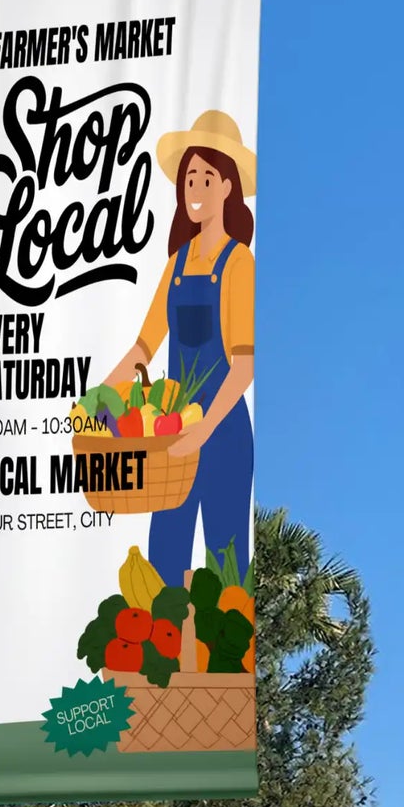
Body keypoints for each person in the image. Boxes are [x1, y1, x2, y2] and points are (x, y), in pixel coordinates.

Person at [107, 110, 255, 585]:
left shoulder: (238, 264)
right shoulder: (176, 265)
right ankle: (155, 656)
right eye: (190, 176)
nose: (195, 187)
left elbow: (243, 366)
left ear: (228, 187)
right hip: (171, 435)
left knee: (226, 569)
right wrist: (99, 400)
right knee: (164, 560)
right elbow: (144, 347)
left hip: (224, 434)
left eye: (207, 177)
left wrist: (205, 430)